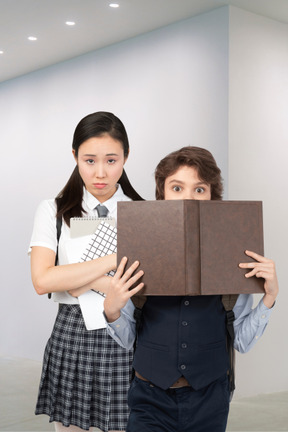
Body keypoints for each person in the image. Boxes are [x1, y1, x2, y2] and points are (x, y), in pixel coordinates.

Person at [103, 146, 279, 432]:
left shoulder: (234, 255)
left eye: (199, 189)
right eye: (176, 187)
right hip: (149, 397)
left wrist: (269, 298)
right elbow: (128, 340)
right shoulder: (140, 248)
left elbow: (242, 343)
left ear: (212, 196)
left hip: (210, 398)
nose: (188, 197)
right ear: (162, 195)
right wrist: (111, 312)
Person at [29, 111, 143, 432]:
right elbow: (42, 281)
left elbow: (149, 284)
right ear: (75, 156)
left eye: (111, 160)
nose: (101, 173)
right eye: (90, 160)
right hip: (73, 335)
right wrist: (111, 261)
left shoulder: (144, 213)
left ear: (126, 157)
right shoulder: (53, 210)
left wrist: (79, 279)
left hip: (128, 334)